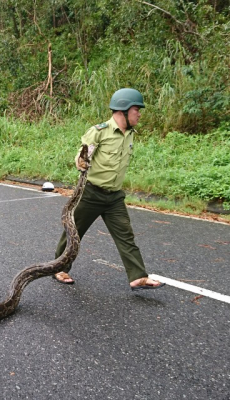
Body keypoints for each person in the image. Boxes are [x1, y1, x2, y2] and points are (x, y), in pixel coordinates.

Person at [53, 88, 165, 291]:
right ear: (123, 111)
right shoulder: (99, 131)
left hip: (114, 197)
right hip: (91, 194)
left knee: (126, 235)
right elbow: (82, 156)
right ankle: (59, 267)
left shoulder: (130, 134)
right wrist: (81, 162)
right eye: (136, 109)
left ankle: (138, 276)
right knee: (73, 232)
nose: (139, 113)